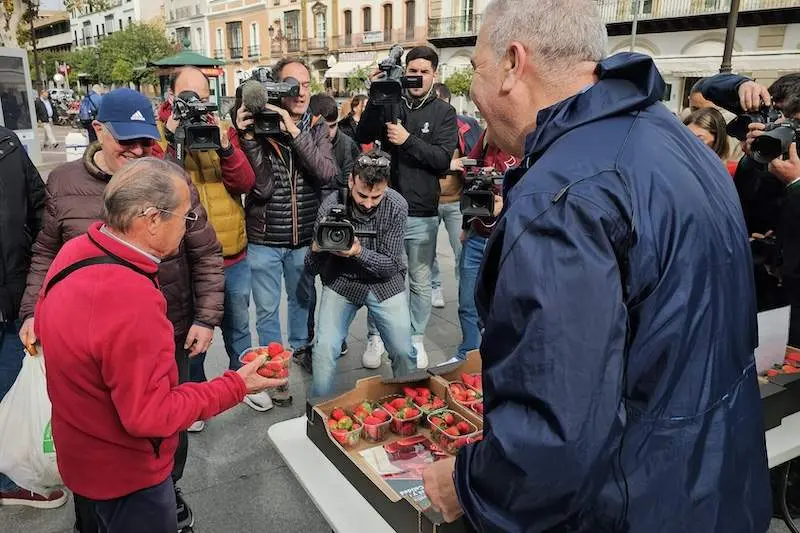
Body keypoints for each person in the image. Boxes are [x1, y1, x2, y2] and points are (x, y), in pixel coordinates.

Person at [422, 1, 771, 530]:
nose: (473, 87)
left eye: (476, 68)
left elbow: (555, 438)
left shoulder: (562, 197)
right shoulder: (673, 139)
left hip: (631, 505)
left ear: (515, 63)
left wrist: (467, 484)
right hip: (713, 487)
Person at [35, 158, 286, 533]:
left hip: (81, 457)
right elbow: (150, 416)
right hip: (128, 475)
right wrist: (236, 384)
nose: (188, 229)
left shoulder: (76, 251)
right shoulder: (132, 297)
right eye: (185, 217)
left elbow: (44, 324)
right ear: (152, 219)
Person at [18, 87, 224, 532]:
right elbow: (44, 254)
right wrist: (235, 385)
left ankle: (166, 485)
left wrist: (206, 317)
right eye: (125, 140)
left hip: (165, 328)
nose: (136, 150)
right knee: (140, 426)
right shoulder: (67, 187)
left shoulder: (168, 182)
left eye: (145, 140)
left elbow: (207, 252)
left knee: (159, 436)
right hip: (113, 346)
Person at [158, 67, 270, 419]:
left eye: (201, 97)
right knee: (192, 334)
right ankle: (195, 396)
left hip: (230, 253)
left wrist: (225, 147)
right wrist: (172, 139)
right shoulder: (159, 134)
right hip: (183, 258)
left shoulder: (221, 128)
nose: (195, 105)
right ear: (171, 98)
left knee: (238, 327)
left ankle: (245, 380)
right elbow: (157, 186)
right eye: (187, 97)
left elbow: (245, 182)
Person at [236, 58, 337, 398]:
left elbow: (326, 173)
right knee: (266, 311)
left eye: (307, 84)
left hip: (303, 235)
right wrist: (250, 137)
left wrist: (294, 133)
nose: (301, 92)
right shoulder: (261, 126)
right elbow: (261, 188)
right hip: (264, 236)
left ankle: (297, 353)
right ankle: (274, 372)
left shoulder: (317, 126)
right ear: (277, 89)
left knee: (301, 301)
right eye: (293, 85)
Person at [357, 46, 458, 368]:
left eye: (423, 72)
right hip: (384, 210)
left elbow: (443, 160)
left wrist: (407, 140)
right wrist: (376, 98)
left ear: (434, 75)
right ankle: (376, 336)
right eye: (411, 70)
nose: (416, 77)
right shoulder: (391, 102)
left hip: (422, 213)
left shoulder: (444, 112)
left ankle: (415, 338)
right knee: (379, 274)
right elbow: (362, 133)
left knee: (419, 280)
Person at [307, 150, 416, 396]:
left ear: (386, 187)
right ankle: (318, 410)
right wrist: (316, 249)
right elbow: (310, 267)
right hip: (342, 281)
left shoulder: (397, 205)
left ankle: (411, 405)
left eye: (376, 196)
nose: (368, 203)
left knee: (403, 350)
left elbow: (389, 265)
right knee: (324, 350)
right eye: (362, 195)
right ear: (350, 181)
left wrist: (357, 252)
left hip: (384, 284)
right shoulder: (331, 205)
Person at [0, 126, 65, 509]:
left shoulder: (7, 144)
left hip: (14, 298)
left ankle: (10, 474)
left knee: (10, 392)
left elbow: (42, 211)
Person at [453, 129, 518, 362]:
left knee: (500, 306)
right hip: (476, 233)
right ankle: (467, 355)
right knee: (467, 302)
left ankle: (496, 358)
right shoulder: (487, 139)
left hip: (505, 237)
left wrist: (507, 201)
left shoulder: (524, 144)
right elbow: (466, 172)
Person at [429, 82, 484, 309]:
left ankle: (465, 290)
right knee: (427, 253)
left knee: (462, 251)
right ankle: (434, 287)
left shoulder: (466, 127)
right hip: (429, 202)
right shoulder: (423, 126)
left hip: (456, 202)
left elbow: (476, 160)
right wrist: (448, 164)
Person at [310, 93, 361, 193]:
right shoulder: (303, 142)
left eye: (332, 126)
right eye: (322, 127)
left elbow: (348, 185)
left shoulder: (347, 144)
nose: (328, 132)